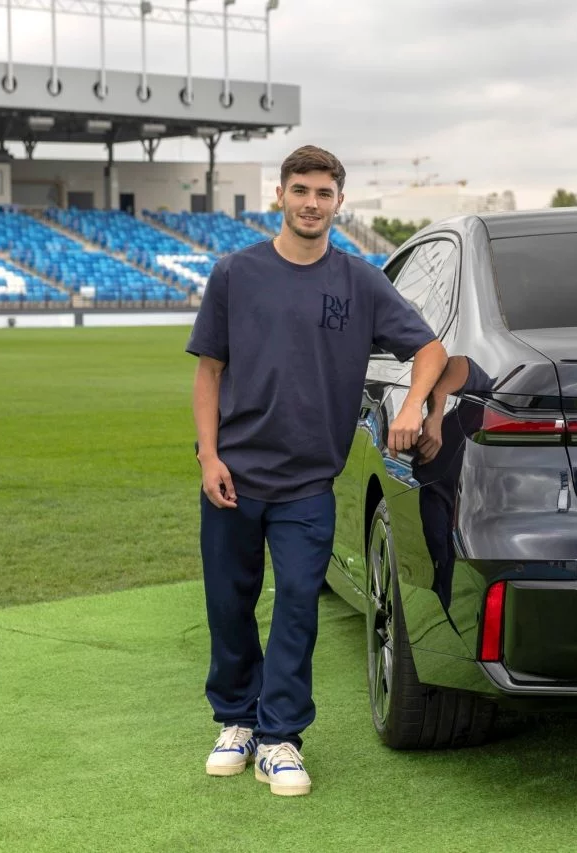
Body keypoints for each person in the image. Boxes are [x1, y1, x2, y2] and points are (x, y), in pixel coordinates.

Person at [185, 145, 446, 796]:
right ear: (280, 195)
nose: (311, 202)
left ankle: (279, 737)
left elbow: (431, 349)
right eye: (300, 189)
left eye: (323, 193)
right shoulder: (235, 274)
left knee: (299, 606)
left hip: (307, 483)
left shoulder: (359, 281)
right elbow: (208, 371)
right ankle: (235, 721)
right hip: (233, 476)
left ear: (338, 201)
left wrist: (415, 403)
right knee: (229, 605)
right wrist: (209, 455)